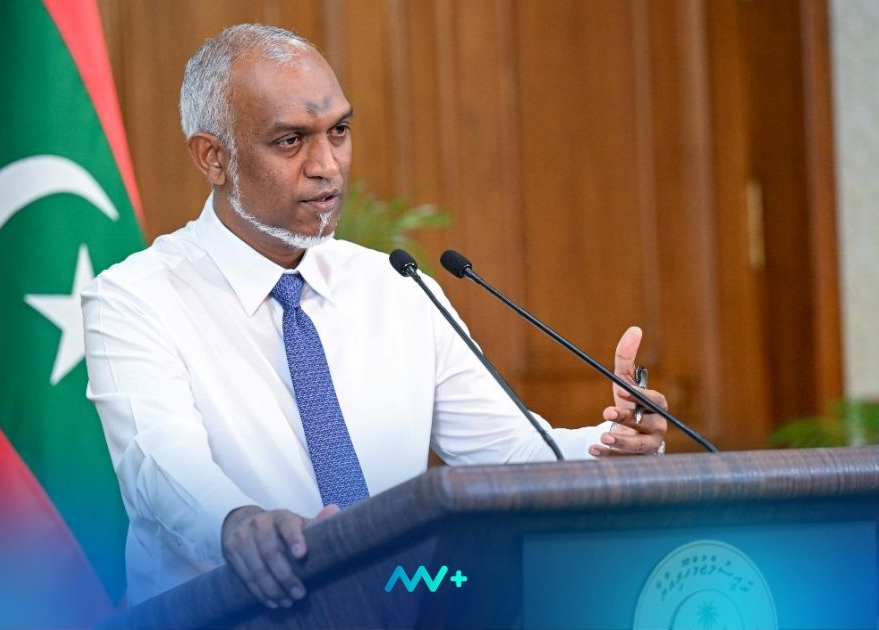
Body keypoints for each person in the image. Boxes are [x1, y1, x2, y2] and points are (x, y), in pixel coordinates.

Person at [82, 23, 668, 609]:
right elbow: (160, 462)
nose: (327, 166)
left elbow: (512, 458)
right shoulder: (135, 298)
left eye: (338, 131)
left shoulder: (398, 288)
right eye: (290, 140)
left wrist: (616, 446)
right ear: (213, 157)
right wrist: (237, 522)